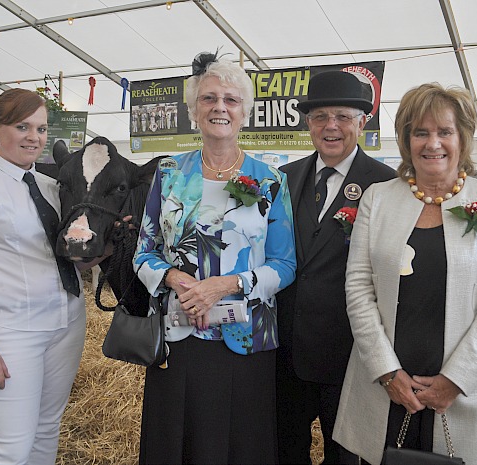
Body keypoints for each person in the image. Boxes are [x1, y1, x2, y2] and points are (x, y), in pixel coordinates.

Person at [332, 83, 477, 465]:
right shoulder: (378, 198)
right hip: (386, 388)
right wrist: (387, 372)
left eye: (444, 132)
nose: (432, 143)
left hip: (462, 392)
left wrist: (456, 380)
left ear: (462, 138)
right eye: (421, 132)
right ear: (406, 140)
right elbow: (358, 289)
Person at [133, 52, 296, 465]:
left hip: (247, 338)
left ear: (245, 113)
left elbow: (285, 265)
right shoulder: (169, 172)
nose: (219, 107)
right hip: (179, 334)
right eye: (208, 99)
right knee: (177, 444)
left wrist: (225, 285)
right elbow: (143, 253)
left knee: (241, 447)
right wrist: (177, 281)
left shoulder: (270, 179)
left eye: (230, 99)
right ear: (193, 111)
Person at [0, 88, 99, 464]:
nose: (34, 137)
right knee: (8, 450)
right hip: (13, 331)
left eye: (41, 129)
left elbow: (65, 260)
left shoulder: (52, 187)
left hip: (67, 324)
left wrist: (101, 252)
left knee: (46, 432)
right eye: (22, 126)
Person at [275, 70, 396, 464]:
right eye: (320, 116)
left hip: (349, 357)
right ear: (308, 123)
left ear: (362, 122)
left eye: (343, 116)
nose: (331, 126)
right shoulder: (284, 179)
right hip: (285, 353)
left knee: (344, 456)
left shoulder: (385, 185)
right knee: (285, 448)